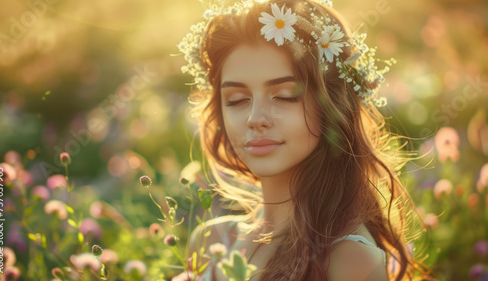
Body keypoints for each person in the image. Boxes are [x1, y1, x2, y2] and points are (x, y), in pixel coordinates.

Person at [177, 0, 436, 280]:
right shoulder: (210, 242)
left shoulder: (349, 260)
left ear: (331, 106)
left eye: (285, 96)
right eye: (237, 100)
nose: (255, 117)